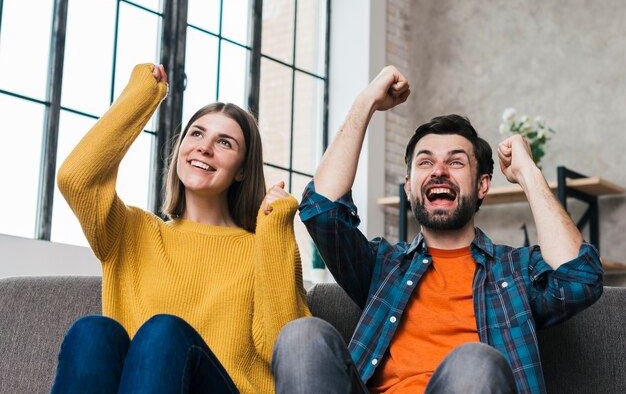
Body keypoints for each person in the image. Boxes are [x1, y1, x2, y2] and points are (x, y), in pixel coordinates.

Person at [271, 66, 603, 394]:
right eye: (425, 162)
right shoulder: (383, 266)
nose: (439, 171)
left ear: (482, 185)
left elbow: (580, 279)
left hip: (471, 382)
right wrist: (367, 101)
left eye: (456, 162)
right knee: (302, 337)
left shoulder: (515, 270)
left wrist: (527, 171)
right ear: (408, 186)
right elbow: (322, 212)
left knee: (473, 363)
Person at [51, 63, 310, 394]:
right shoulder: (132, 233)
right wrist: (143, 95)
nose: (204, 147)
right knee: (92, 332)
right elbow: (76, 179)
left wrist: (274, 234)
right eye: (197, 134)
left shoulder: (259, 249)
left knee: (163, 331)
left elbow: (286, 349)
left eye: (225, 143)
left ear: (242, 171)